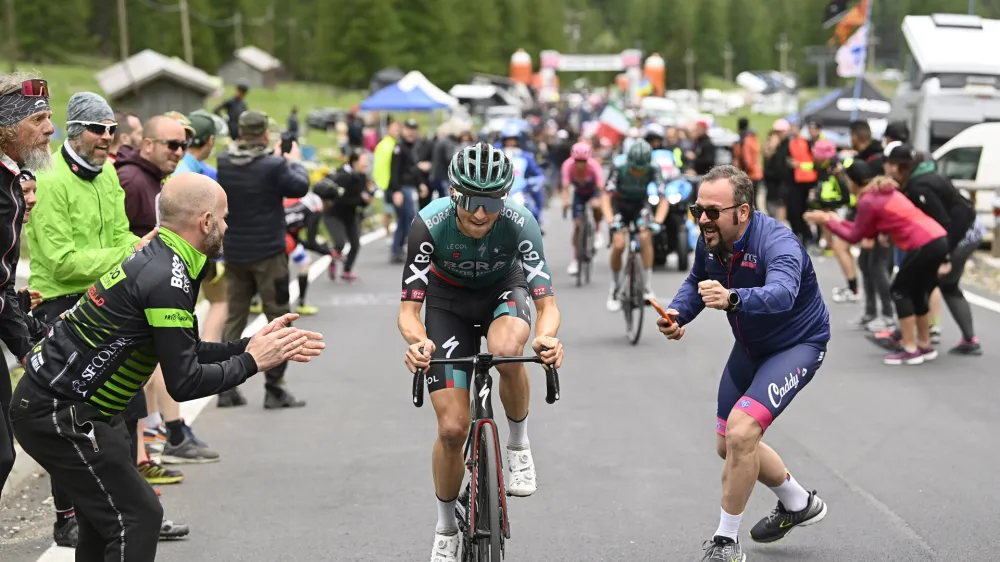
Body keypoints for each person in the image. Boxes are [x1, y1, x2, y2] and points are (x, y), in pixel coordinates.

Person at [11, 172, 325, 562]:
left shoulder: (168, 259)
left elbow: (184, 350)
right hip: (59, 412)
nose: (227, 226)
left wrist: (249, 345)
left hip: (77, 408)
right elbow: (185, 381)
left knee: (103, 523)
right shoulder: (167, 276)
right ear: (206, 222)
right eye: (224, 218)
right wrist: (251, 362)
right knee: (136, 517)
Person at [398, 142, 564, 562]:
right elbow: (408, 311)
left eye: (491, 202)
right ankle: (446, 527)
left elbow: (547, 305)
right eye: (470, 200)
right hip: (445, 302)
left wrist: (545, 337)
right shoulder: (429, 224)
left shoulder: (520, 222)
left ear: (503, 199)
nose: (479, 213)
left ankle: (519, 446)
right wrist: (418, 342)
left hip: (501, 290)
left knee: (508, 349)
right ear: (454, 193)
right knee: (452, 429)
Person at [657, 165, 831, 562]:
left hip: (797, 344)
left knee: (741, 434)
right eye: (696, 210)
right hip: (751, 345)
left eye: (713, 211)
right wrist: (677, 314)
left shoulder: (779, 242)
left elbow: (784, 293)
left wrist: (734, 298)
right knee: (728, 445)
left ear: (744, 212)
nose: (702, 219)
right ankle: (797, 502)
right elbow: (697, 282)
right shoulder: (710, 238)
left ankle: (725, 542)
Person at [216, 110, 310, 409]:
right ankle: (275, 389)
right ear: (265, 134)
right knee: (278, 316)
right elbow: (300, 187)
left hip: (235, 252)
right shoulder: (273, 165)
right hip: (269, 253)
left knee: (235, 318)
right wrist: (293, 159)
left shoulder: (224, 162)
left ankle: (226, 388)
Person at [806, 169, 949, 365]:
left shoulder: (867, 201)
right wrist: (835, 221)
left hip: (922, 243)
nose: (847, 186)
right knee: (917, 293)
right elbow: (865, 231)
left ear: (855, 183)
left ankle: (910, 348)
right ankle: (924, 345)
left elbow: (854, 236)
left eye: (847, 182)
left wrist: (826, 222)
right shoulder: (884, 193)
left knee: (900, 290)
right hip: (937, 238)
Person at [0, 73, 55, 506]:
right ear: (7, 127)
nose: (49, 128)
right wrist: (24, 344)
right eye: (39, 118)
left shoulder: (11, 182)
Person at [882, 145, 981, 355]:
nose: (887, 169)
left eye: (891, 165)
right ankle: (967, 339)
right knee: (940, 284)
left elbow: (943, 221)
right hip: (960, 230)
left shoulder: (920, 186)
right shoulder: (918, 179)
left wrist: (946, 257)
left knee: (929, 282)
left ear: (901, 167)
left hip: (963, 232)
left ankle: (906, 335)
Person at [604, 140, 667, 310]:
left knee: (645, 237)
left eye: (642, 170)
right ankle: (614, 290)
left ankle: (647, 287)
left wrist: (658, 222)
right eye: (634, 170)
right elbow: (606, 197)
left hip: (640, 204)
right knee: (618, 244)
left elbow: (663, 199)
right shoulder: (618, 166)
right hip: (620, 204)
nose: (638, 173)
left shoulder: (654, 167)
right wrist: (611, 222)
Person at [313, 150, 373, 281]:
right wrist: (360, 200)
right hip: (334, 214)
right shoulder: (342, 176)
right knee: (339, 243)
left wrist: (365, 201)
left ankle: (347, 270)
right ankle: (333, 261)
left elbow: (361, 200)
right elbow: (339, 200)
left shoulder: (361, 177)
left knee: (355, 244)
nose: (366, 166)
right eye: (364, 163)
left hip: (350, 214)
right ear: (354, 162)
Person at [561, 141, 605, 276]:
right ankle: (575, 259)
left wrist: (599, 201)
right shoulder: (567, 165)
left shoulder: (594, 166)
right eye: (577, 161)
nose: (580, 164)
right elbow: (566, 187)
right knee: (577, 225)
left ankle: (597, 231)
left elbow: (601, 187)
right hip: (579, 194)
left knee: (596, 207)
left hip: (593, 191)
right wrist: (566, 201)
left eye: (583, 161)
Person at [388, 119, 429, 263]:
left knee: (404, 220)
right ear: (404, 130)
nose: (411, 131)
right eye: (409, 128)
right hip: (403, 187)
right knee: (410, 219)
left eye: (414, 128)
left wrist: (420, 185)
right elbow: (395, 171)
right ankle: (407, 249)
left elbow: (414, 169)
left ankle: (397, 249)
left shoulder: (413, 147)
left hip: (410, 186)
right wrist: (397, 191)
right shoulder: (399, 148)